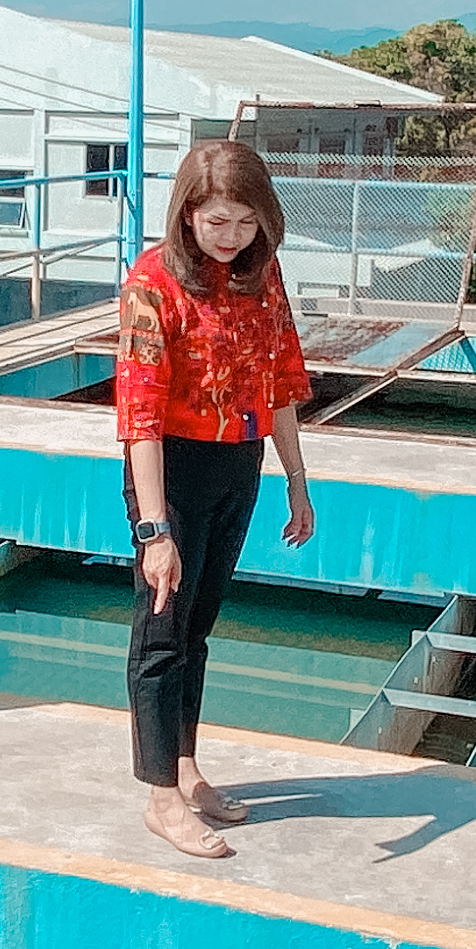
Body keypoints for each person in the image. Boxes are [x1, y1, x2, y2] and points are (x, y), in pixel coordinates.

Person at [115, 139, 317, 859]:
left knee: (197, 628)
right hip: (170, 469)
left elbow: (282, 380)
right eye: (217, 223)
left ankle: (187, 768)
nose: (232, 238)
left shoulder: (263, 277)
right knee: (162, 633)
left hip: (240, 463)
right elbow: (138, 415)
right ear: (187, 216)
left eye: (245, 223)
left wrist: (296, 479)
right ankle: (160, 797)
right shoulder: (153, 285)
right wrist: (154, 529)